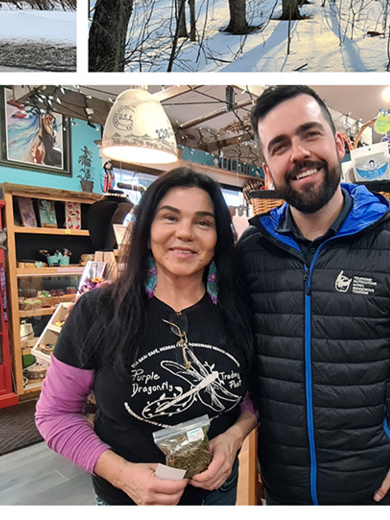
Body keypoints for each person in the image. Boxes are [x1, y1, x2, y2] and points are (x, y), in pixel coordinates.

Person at [237, 85, 390, 505]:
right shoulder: (253, 251)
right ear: (267, 168)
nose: (298, 153)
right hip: (287, 488)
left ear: (339, 144)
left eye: (310, 134)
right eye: (280, 146)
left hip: (377, 488)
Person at [35, 167, 256, 505]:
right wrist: (123, 475)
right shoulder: (98, 311)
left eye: (203, 222)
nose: (185, 233)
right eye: (170, 217)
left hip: (217, 495)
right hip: (127, 500)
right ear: (147, 229)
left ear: (218, 238)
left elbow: (254, 397)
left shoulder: (238, 310)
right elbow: (55, 415)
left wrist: (234, 436)